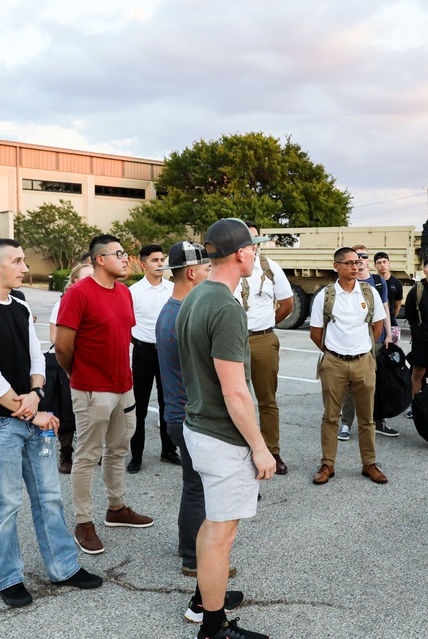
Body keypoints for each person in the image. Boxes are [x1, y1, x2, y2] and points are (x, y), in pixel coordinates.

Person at [0, 238, 102, 607]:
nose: (24, 268)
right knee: (5, 505)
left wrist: (37, 392)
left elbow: (37, 356)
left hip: (31, 416)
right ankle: (8, 579)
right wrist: (32, 411)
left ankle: (64, 568)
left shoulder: (19, 306)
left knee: (49, 497)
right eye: (17, 261)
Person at [176, 219, 275, 639]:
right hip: (221, 435)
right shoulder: (225, 307)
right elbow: (236, 393)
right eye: (253, 248)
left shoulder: (195, 294)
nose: (255, 254)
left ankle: (204, 599)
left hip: (198, 426)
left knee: (212, 521)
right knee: (221, 532)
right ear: (240, 253)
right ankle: (213, 627)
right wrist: (260, 447)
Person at [155, 242, 245, 622]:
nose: (209, 271)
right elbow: (213, 378)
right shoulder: (188, 311)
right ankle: (197, 567)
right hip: (188, 415)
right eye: (204, 267)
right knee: (201, 497)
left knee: (198, 492)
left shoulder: (176, 308)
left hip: (181, 413)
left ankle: (204, 579)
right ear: (191, 272)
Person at [55, 234, 154, 557]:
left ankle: (117, 508)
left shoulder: (124, 293)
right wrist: (79, 376)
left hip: (123, 386)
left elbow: (121, 337)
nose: (126, 259)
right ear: (100, 259)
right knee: (87, 455)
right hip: (91, 389)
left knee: (118, 450)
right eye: (119, 254)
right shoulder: (78, 294)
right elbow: (63, 346)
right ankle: (84, 522)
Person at [310, 247, 389, 486]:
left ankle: (369, 464)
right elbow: (315, 333)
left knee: (367, 418)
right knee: (331, 417)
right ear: (336, 266)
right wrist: (332, 352)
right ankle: (327, 464)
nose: (355, 267)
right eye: (349, 263)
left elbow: (377, 327)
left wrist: (361, 348)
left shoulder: (369, 292)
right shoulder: (325, 295)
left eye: (358, 262)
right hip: (334, 363)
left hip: (363, 361)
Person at [237, 221, 294, 475]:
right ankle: (240, 452)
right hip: (233, 340)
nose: (253, 244)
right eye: (247, 239)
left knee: (267, 400)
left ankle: (272, 451)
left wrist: (267, 326)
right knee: (236, 398)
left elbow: (287, 304)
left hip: (262, 339)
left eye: (256, 239)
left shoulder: (270, 267)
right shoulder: (229, 268)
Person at [128, 244, 180, 472]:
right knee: (138, 405)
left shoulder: (173, 288)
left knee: (168, 403)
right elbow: (127, 325)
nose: (160, 264)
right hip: (143, 352)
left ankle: (168, 450)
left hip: (168, 352)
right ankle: (136, 455)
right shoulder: (133, 291)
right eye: (155, 260)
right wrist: (140, 342)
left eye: (162, 259)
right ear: (143, 264)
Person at [339, 244, 398, 439]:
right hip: (354, 343)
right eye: (357, 257)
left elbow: (385, 309)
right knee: (351, 384)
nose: (360, 260)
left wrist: (388, 335)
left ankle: (378, 421)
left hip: (378, 341)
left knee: (377, 383)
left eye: (364, 256)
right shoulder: (348, 282)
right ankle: (346, 423)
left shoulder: (379, 283)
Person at [48, 261, 95, 473]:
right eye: (85, 277)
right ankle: (66, 453)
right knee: (67, 411)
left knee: (94, 411)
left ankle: (93, 451)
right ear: (75, 281)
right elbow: (55, 338)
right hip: (70, 365)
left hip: (94, 365)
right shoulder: (64, 303)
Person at [404, 257, 428, 398]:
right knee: (418, 372)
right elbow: (410, 314)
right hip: (422, 340)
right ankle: (415, 405)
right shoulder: (417, 291)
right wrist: (419, 332)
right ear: (425, 271)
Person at [372, 252, 404, 344]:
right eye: (379, 263)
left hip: (392, 325)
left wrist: (390, 317)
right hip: (375, 323)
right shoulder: (372, 281)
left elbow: (397, 305)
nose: (382, 265)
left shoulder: (397, 283)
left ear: (389, 263)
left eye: (384, 262)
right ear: (375, 265)